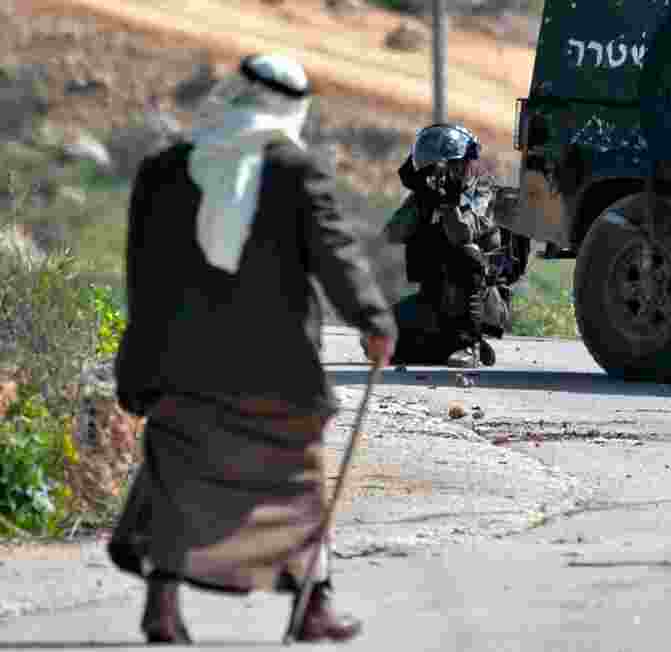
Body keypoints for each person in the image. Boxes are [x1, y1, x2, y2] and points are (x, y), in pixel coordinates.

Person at [108, 53, 397, 644]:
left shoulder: (164, 171)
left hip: (182, 364)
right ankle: (313, 606)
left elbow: (143, 277)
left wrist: (137, 365)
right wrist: (372, 320)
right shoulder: (293, 171)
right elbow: (335, 255)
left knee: (178, 482)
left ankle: (162, 606)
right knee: (299, 489)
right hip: (278, 371)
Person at [379, 123, 505, 368]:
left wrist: (449, 205)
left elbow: (463, 235)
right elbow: (391, 234)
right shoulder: (429, 195)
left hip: (480, 302)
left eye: (450, 166)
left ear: (463, 164)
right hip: (433, 299)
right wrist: (421, 198)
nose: (443, 174)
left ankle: (470, 344)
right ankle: (447, 345)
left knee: (467, 253)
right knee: (374, 341)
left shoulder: (483, 192)